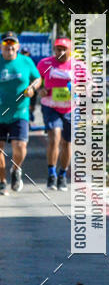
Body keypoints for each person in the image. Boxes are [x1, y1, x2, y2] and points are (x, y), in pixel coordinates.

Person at [0, 32, 42, 193]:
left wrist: (32, 87)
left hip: (20, 112)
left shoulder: (26, 61)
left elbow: (37, 78)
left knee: (20, 145)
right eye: (6, 43)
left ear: (17, 46)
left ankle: (16, 170)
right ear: (1, 46)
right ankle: (2, 181)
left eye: (12, 43)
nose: (9, 46)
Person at [38, 36, 73, 190]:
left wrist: (81, 90)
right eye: (58, 49)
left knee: (67, 143)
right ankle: (51, 174)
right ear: (54, 50)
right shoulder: (45, 63)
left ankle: (62, 175)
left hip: (70, 108)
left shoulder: (77, 66)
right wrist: (40, 90)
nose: (61, 52)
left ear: (70, 50)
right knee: (54, 137)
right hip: (50, 106)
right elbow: (36, 80)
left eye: (64, 49)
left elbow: (91, 85)